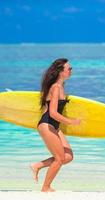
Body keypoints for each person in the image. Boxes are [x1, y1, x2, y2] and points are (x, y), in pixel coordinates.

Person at [30, 58, 81, 192]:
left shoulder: (61, 87)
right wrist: (71, 122)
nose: (71, 70)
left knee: (68, 157)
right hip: (47, 124)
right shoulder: (56, 87)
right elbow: (52, 113)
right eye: (69, 68)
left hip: (54, 126)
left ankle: (38, 165)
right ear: (60, 72)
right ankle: (46, 187)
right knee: (59, 159)